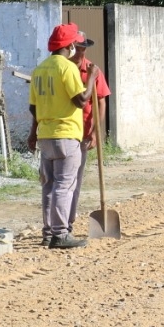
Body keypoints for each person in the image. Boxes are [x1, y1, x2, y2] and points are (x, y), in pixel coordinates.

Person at [27, 23, 100, 249]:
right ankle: (60, 234)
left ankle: (48, 233)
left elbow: (33, 108)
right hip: (67, 135)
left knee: (48, 185)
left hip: (46, 136)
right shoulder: (66, 68)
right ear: (70, 45)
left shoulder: (39, 69)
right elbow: (80, 100)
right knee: (64, 185)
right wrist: (92, 78)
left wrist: (34, 132)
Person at [68, 31, 111, 235]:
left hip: (83, 132)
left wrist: (96, 130)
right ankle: (62, 220)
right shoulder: (64, 69)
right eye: (78, 47)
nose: (81, 52)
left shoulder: (93, 70)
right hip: (65, 130)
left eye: (84, 48)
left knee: (76, 177)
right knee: (61, 180)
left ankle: (69, 218)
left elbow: (101, 101)